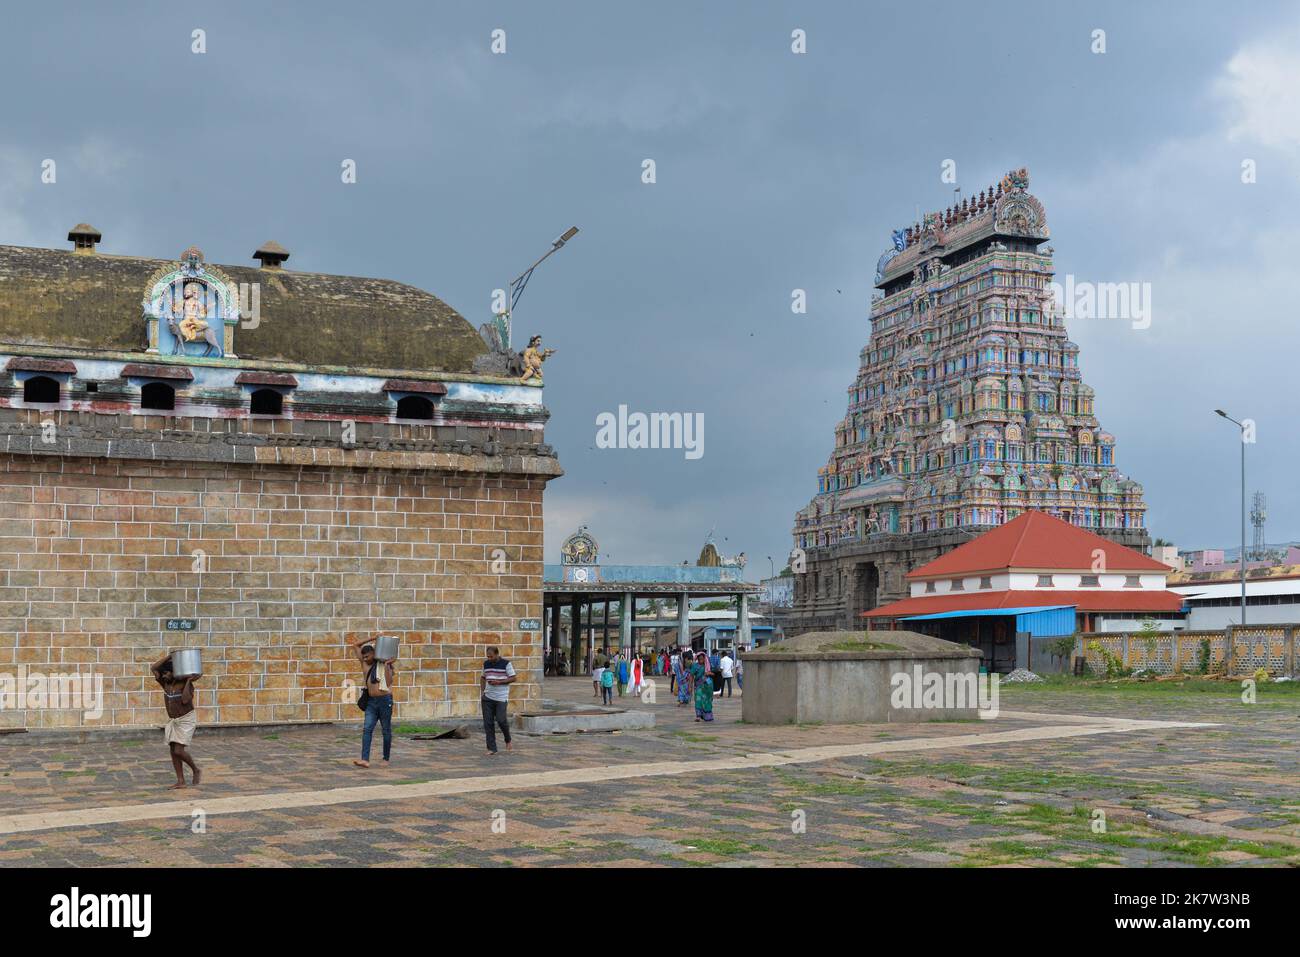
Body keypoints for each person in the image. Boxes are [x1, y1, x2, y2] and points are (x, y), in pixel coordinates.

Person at [150, 652, 201, 789]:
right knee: (173, 750)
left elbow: (185, 700)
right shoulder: (165, 683)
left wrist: (189, 681)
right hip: (174, 720)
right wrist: (170, 656)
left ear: (175, 673)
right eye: (164, 673)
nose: (164, 675)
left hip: (186, 720)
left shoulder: (184, 684)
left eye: (167, 673)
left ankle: (195, 769)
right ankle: (180, 781)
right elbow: (154, 668)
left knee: (178, 750)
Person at [353, 639, 395, 768]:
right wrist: (374, 637)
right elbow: (355, 645)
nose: (365, 659)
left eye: (367, 656)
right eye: (363, 657)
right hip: (371, 702)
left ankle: (386, 758)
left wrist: (388, 665)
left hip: (384, 700)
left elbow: (388, 683)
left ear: (374, 654)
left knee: (386, 730)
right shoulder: (365, 666)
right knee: (367, 729)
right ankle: (365, 759)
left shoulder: (383, 664)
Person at [480, 645, 517, 756]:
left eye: (491, 656)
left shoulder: (506, 664)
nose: (489, 658)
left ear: (497, 654)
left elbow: (513, 678)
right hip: (488, 697)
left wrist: (499, 682)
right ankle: (492, 748)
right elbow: (482, 677)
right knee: (488, 723)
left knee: (501, 720)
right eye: (488, 656)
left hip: (501, 697)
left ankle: (508, 739)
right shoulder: (486, 664)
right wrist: (483, 692)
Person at [690, 652, 714, 722]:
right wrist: (690, 686)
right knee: (698, 700)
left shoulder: (708, 666)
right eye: (699, 659)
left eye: (702, 659)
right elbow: (691, 676)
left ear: (704, 659)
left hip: (707, 687)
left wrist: (709, 673)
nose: (701, 660)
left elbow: (715, 674)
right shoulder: (695, 666)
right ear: (697, 659)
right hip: (698, 686)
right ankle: (698, 716)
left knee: (707, 701)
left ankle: (707, 715)